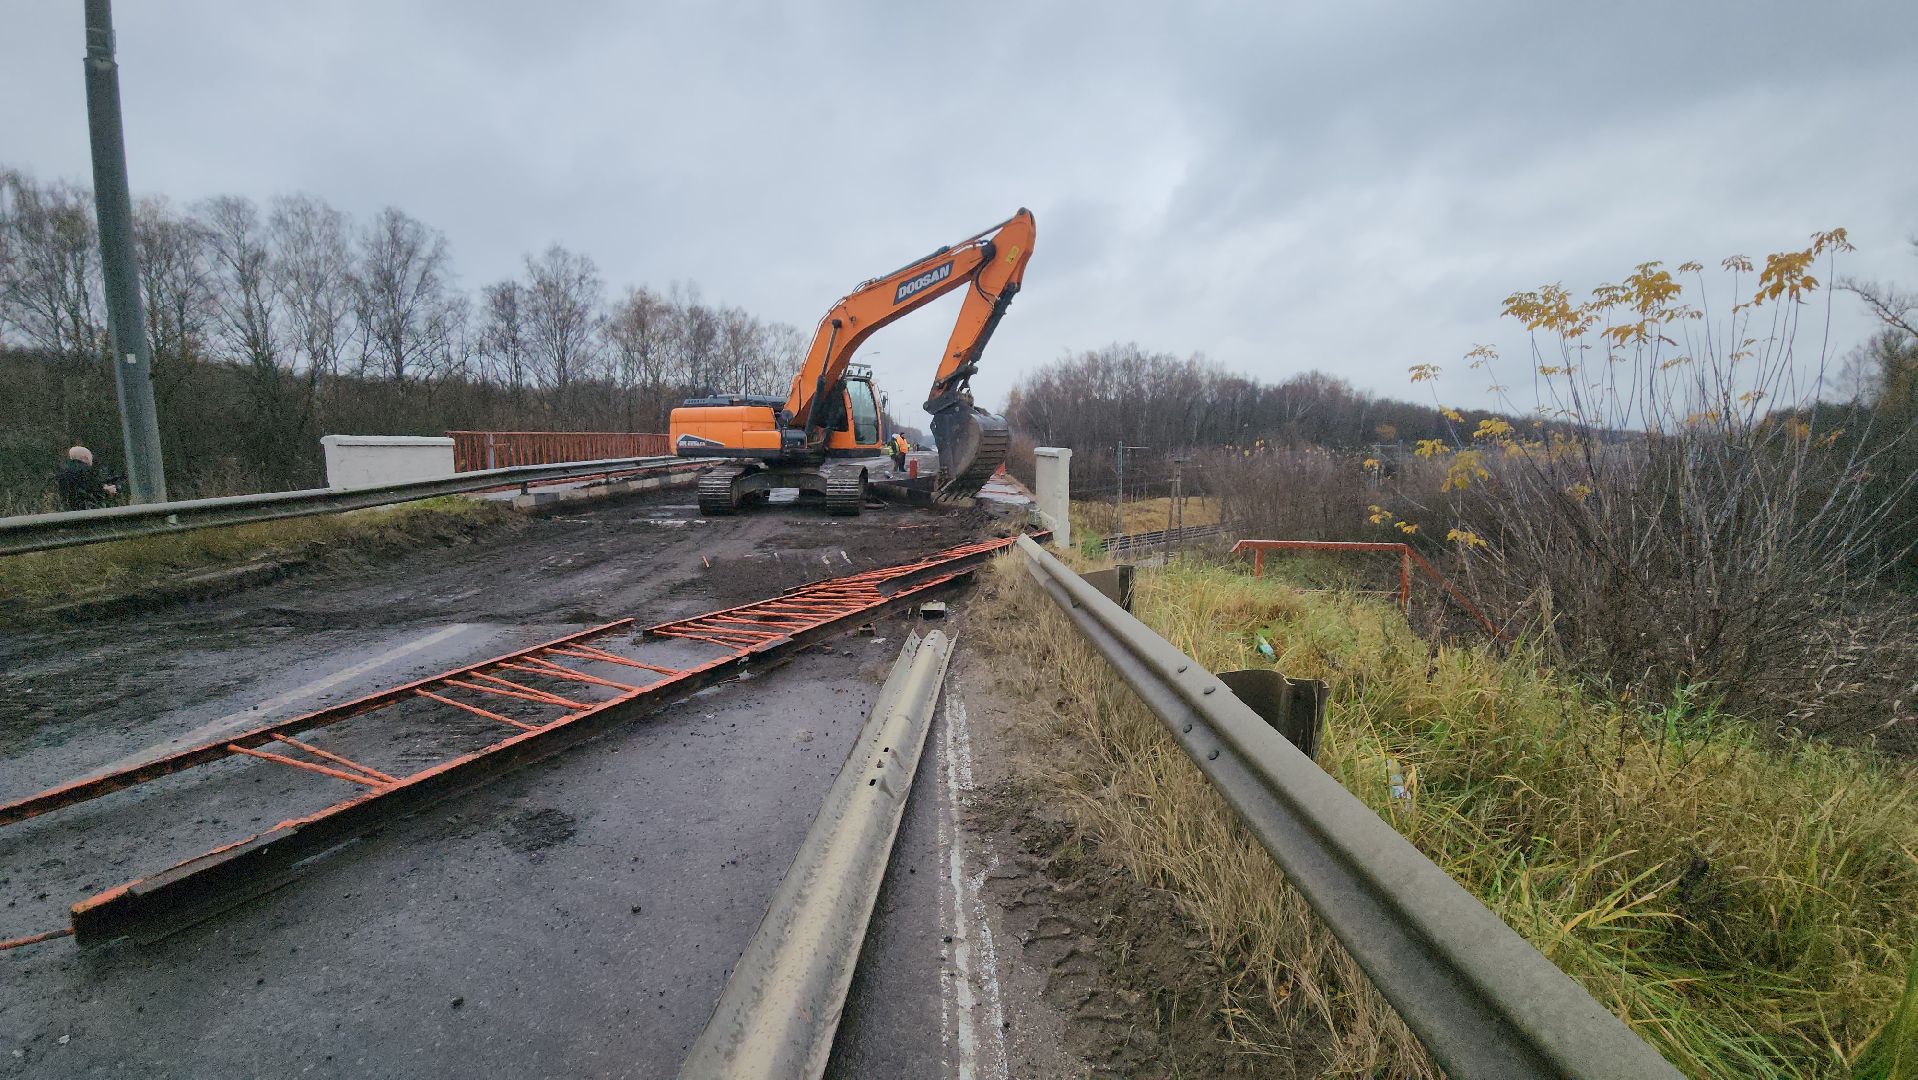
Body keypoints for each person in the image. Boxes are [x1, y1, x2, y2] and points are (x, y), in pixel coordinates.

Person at [56, 446, 119, 511]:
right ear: (86, 457)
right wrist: (107, 490)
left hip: (68, 510)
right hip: (86, 509)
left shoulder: (62, 471)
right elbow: (93, 490)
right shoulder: (87, 470)